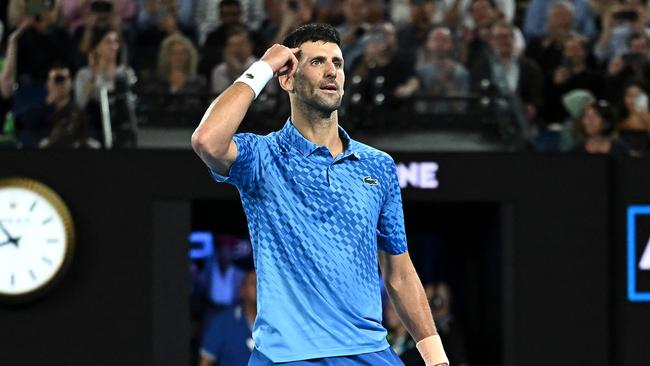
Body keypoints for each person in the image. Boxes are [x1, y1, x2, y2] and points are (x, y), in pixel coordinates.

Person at [191, 23, 449, 366]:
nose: (332, 71)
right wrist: (264, 66)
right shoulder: (261, 157)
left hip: (367, 353)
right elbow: (207, 140)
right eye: (316, 62)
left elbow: (399, 274)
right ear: (287, 79)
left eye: (338, 63)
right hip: (284, 358)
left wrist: (436, 359)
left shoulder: (378, 166)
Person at [199, 268, 257, 366]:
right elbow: (205, 362)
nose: (258, 287)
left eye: (262, 283)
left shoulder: (278, 324)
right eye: (253, 282)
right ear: (242, 290)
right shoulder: (223, 322)